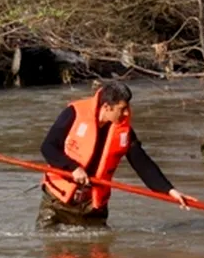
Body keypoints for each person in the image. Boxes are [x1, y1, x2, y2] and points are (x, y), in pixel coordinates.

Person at [38, 80, 191, 229]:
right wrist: (73, 168)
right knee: (50, 243)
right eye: (122, 109)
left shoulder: (124, 131)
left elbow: (143, 164)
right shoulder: (74, 113)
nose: (126, 113)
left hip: (92, 208)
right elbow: (48, 147)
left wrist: (169, 191)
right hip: (57, 202)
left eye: (127, 108)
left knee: (99, 246)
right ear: (106, 107)